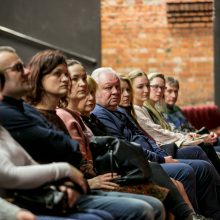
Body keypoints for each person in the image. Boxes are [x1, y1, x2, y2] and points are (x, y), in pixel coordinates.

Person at [0, 46, 164, 220]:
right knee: (146, 205)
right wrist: (75, 178)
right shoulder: (16, 111)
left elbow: (68, 150)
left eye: (77, 77)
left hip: (67, 184)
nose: (68, 80)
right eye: (59, 74)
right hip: (55, 191)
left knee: (158, 191)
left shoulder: (41, 111)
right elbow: (66, 148)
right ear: (39, 78)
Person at [91, 67, 220, 219]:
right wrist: (162, 158)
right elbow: (127, 147)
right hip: (139, 165)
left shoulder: (119, 111)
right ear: (94, 90)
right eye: (108, 88)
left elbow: (144, 137)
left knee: (201, 160)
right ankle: (198, 215)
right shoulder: (101, 113)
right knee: (189, 168)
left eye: (117, 87)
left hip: (155, 155)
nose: (117, 92)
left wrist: (162, 154)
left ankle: (211, 214)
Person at [138, 72, 220, 174]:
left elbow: (174, 129)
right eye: (155, 87)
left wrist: (197, 136)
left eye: (162, 88)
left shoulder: (158, 109)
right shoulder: (143, 109)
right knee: (200, 149)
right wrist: (194, 138)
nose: (159, 91)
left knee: (212, 143)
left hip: (175, 142)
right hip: (165, 148)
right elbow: (160, 134)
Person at [161, 76, 220, 153]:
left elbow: (192, 129)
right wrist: (201, 139)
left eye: (176, 91)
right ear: (162, 92)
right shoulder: (160, 112)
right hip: (187, 145)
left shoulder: (177, 109)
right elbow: (175, 134)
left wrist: (208, 134)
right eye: (169, 91)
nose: (174, 95)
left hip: (196, 139)